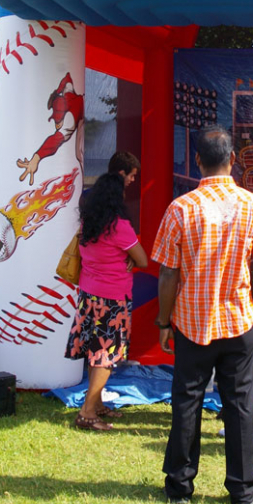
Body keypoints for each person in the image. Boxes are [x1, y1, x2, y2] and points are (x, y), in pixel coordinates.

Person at [152, 125, 253, 504]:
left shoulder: (181, 208)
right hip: (239, 321)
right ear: (233, 160)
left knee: (187, 402)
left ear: (198, 161)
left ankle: (179, 486)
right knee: (240, 406)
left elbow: (168, 273)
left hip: (191, 321)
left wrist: (163, 321)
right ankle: (242, 489)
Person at [65, 172, 148, 431]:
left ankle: (97, 403)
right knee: (106, 355)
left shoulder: (87, 223)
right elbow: (143, 259)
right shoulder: (119, 226)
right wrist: (132, 260)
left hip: (88, 295)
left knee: (94, 353)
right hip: (112, 299)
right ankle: (88, 412)